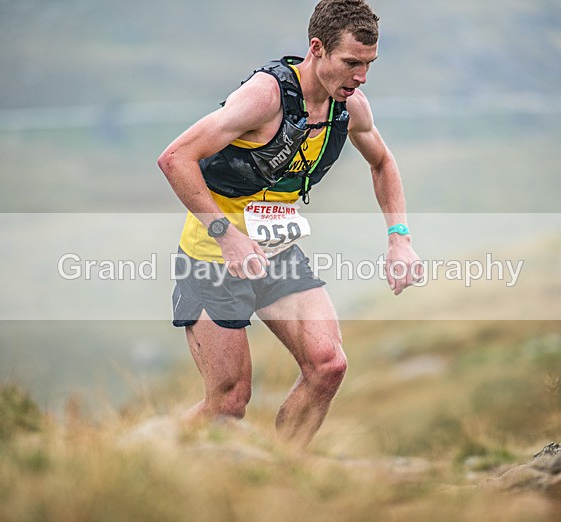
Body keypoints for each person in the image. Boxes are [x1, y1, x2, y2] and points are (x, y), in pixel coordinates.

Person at [157, 0, 420, 449]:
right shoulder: (265, 97)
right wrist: (227, 238)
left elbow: (383, 162)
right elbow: (175, 158)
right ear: (317, 49)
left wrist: (400, 240)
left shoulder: (349, 106)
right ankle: (149, 451)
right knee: (228, 403)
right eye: (351, 63)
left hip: (277, 253)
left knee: (328, 365)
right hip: (213, 257)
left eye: (368, 65)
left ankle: (283, 472)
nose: (360, 78)